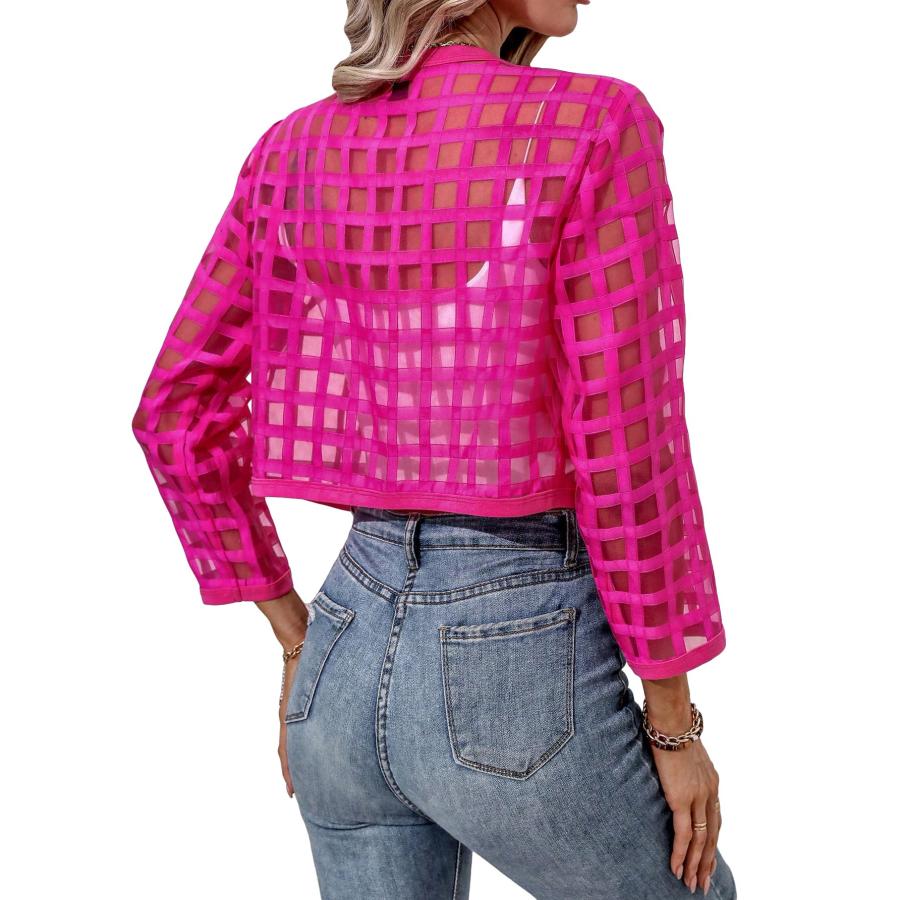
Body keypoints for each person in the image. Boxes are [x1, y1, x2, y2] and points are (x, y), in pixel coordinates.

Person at [131, 2, 737, 897]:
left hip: (340, 648)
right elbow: (626, 441)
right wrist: (674, 722)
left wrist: (297, 640)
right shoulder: (591, 124)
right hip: (518, 652)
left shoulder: (291, 150)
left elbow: (175, 411)